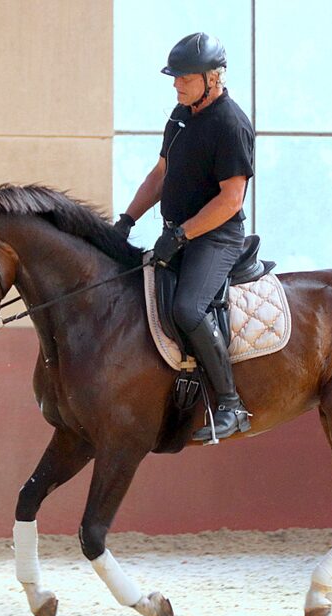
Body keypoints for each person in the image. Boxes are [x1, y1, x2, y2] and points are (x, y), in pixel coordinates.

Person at [114, 33, 254, 442]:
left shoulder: (231, 124)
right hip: (176, 233)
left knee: (189, 309)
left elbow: (230, 201)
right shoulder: (179, 116)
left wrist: (182, 235)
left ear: (214, 78)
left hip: (216, 238)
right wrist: (126, 219)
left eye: (186, 79)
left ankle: (230, 405)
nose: (177, 85)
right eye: (175, 79)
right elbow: (160, 174)